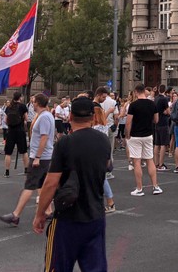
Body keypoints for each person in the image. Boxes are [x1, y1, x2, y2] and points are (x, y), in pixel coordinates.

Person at [33, 96, 111, 272]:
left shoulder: (65, 142)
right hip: (95, 215)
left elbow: (51, 183)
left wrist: (40, 213)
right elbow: (107, 166)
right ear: (93, 117)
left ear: (70, 117)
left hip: (68, 217)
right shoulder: (103, 140)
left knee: (57, 266)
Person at [0, 94, 55, 226]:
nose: (32, 104)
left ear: (38, 103)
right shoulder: (45, 115)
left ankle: (16, 215)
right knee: (41, 185)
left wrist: (37, 157)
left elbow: (44, 137)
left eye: (33, 102)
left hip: (41, 157)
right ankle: (48, 211)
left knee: (29, 185)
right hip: (43, 156)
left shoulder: (44, 117)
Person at [125, 83, 162, 196]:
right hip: (148, 135)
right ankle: (155, 186)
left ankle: (139, 188)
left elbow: (128, 122)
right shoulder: (152, 104)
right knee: (150, 160)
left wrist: (127, 134)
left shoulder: (133, 105)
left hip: (135, 135)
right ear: (144, 91)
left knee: (137, 162)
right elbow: (156, 120)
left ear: (136, 92)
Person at [4, 91, 29, 176]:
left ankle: (7, 171)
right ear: (20, 97)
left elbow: (5, 120)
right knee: (24, 151)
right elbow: (26, 118)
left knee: (8, 152)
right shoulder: (23, 106)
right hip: (20, 130)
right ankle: (26, 169)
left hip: (10, 131)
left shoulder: (9, 107)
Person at [153, 85, 171, 171]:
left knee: (157, 144)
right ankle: (161, 164)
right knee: (163, 144)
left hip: (157, 123)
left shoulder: (155, 98)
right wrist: (166, 112)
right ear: (165, 90)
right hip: (163, 122)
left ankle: (156, 163)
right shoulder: (164, 99)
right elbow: (168, 112)